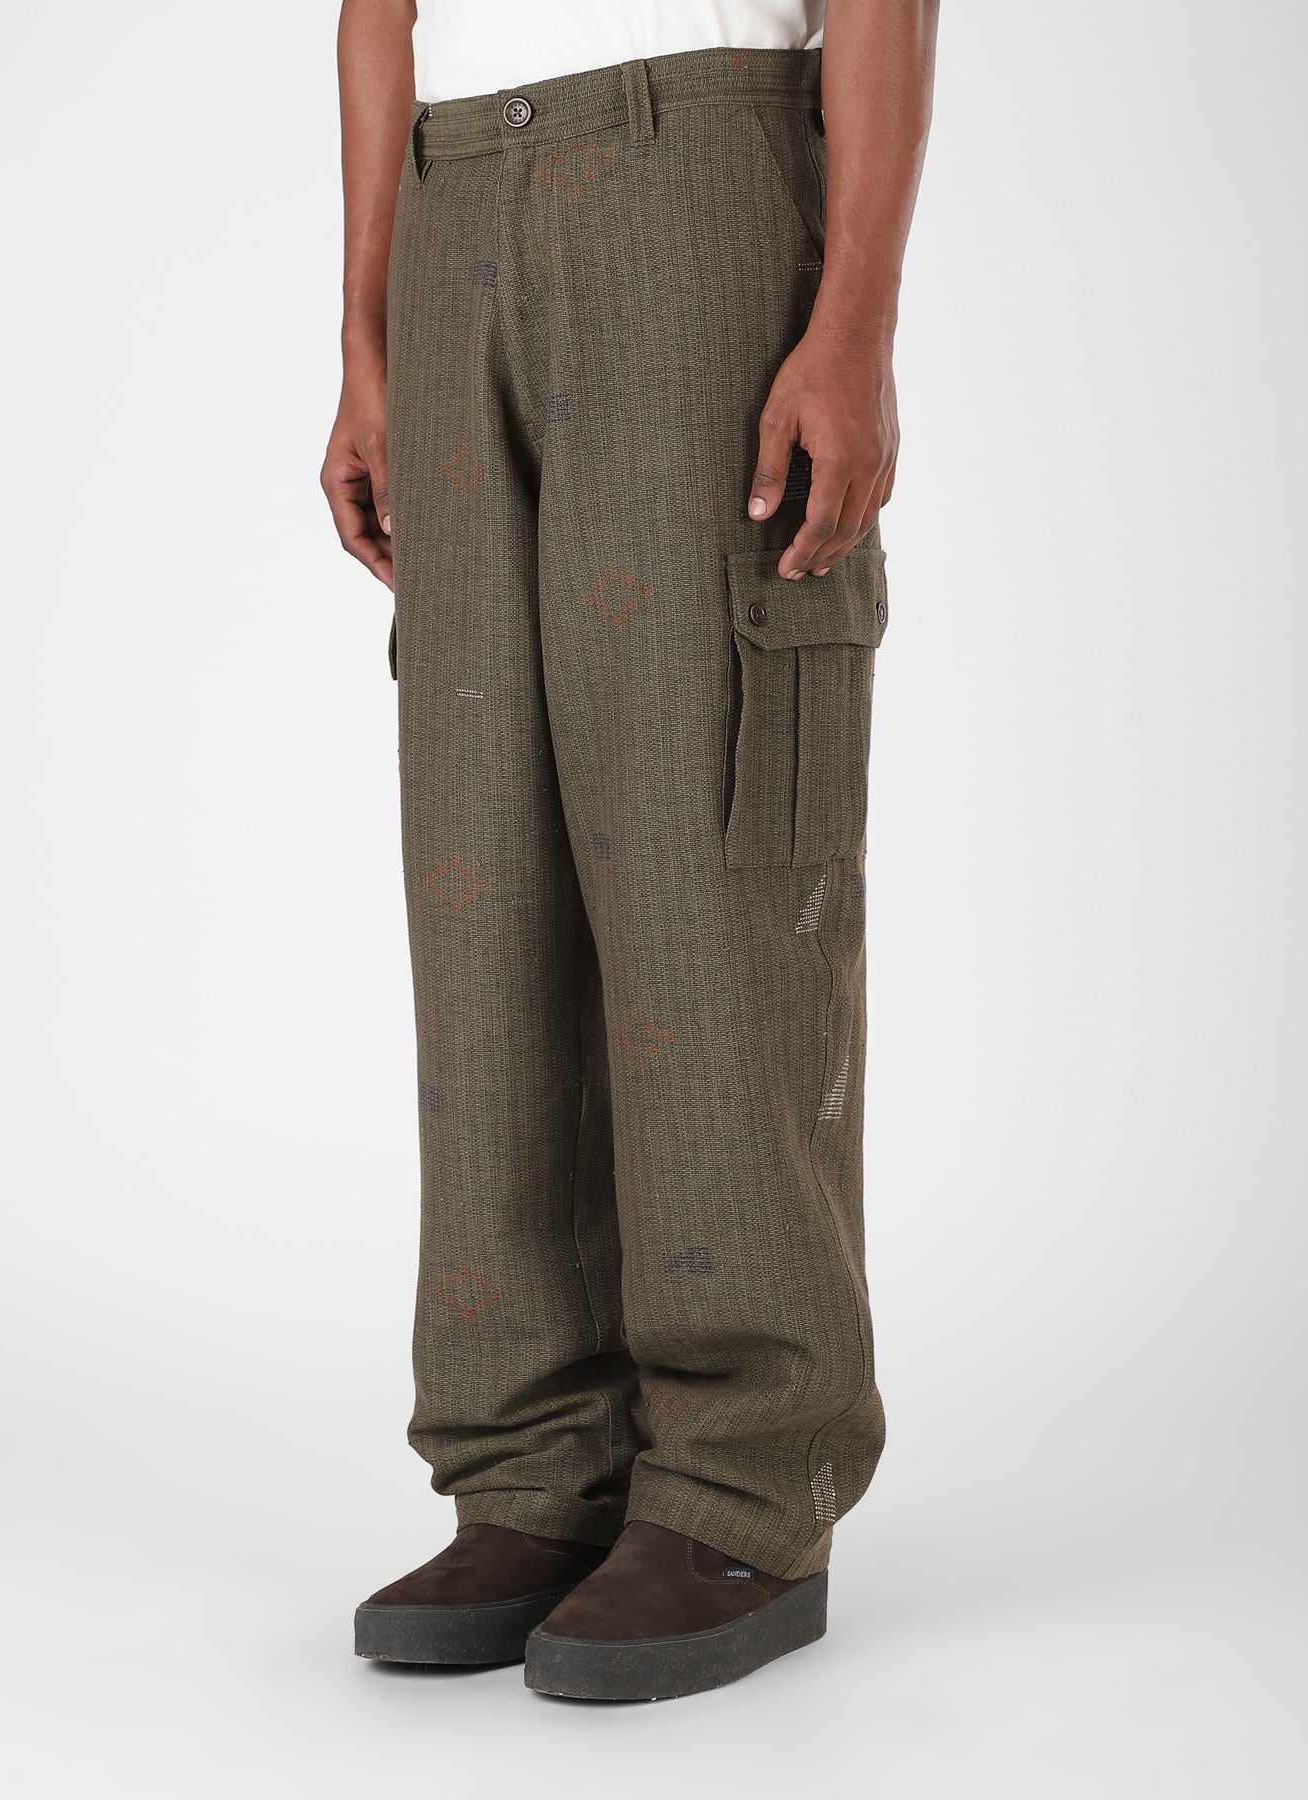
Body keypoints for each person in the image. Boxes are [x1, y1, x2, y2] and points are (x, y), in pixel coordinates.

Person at [321, 0, 939, 1702]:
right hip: (453, 203)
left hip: (698, 171)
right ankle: (536, 1469)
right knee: (483, 858)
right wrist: (367, 332)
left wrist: (855, 323)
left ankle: (745, 1483)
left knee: (702, 841)